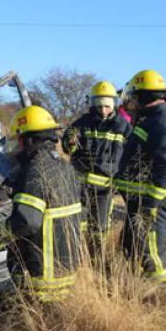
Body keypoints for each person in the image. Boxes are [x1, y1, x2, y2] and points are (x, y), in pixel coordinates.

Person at [0, 106, 83, 302]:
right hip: (67, 270)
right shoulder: (65, 167)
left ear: (27, 140)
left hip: (43, 277)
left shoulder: (34, 171)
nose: (16, 148)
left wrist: (0, 234)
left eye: (18, 141)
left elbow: (27, 220)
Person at [114, 69, 166, 283]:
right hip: (143, 200)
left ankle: (158, 295)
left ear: (142, 97)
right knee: (131, 244)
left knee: (150, 252)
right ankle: (131, 286)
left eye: (133, 97)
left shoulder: (161, 122)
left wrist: (151, 203)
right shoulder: (155, 118)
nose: (130, 102)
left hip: (154, 202)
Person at [62, 81, 132, 249]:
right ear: (92, 103)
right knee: (79, 224)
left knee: (99, 228)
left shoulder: (124, 127)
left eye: (107, 106)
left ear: (114, 104)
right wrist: (70, 142)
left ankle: (96, 257)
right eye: (99, 106)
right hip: (80, 187)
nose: (103, 110)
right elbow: (67, 147)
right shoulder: (80, 124)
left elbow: (131, 154)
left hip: (105, 189)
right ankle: (77, 254)